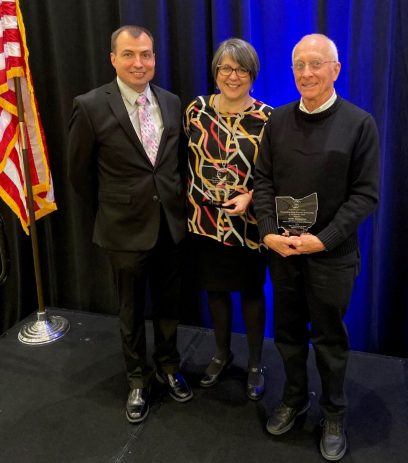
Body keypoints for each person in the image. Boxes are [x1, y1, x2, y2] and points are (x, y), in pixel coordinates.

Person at [253, 34, 379, 461]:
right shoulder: (278, 121)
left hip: (331, 256)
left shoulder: (359, 124)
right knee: (287, 334)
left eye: (316, 64)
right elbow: (263, 181)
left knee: (329, 339)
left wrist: (322, 239)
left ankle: (334, 411)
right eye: (299, 66)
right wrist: (268, 231)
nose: (307, 74)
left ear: (335, 70)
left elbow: (365, 195)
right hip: (283, 252)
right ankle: (294, 398)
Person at [67, 25, 193, 424]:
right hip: (123, 229)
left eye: (147, 55)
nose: (139, 63)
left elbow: (177, 165)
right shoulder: (89, 106)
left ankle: (169, 366)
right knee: (131, 308)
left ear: (154, 58)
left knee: (170, 304)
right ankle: (138, 379)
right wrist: (115, 207)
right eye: (129, 55)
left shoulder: (172, 102)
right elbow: (79, 175)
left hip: (170, 225)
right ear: (113, 59)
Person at [184, 38, 273, 400]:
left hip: (248, 225)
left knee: (251, 293)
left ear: (252, 75)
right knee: (215, 291)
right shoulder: (196, 110)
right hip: (204, 220)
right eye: (226, 68)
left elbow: (274, 173)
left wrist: (250, 197)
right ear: (215, 71)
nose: (232, 76)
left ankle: (254, 363)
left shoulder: (268, 117)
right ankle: (221, 354)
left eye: (241, 69)